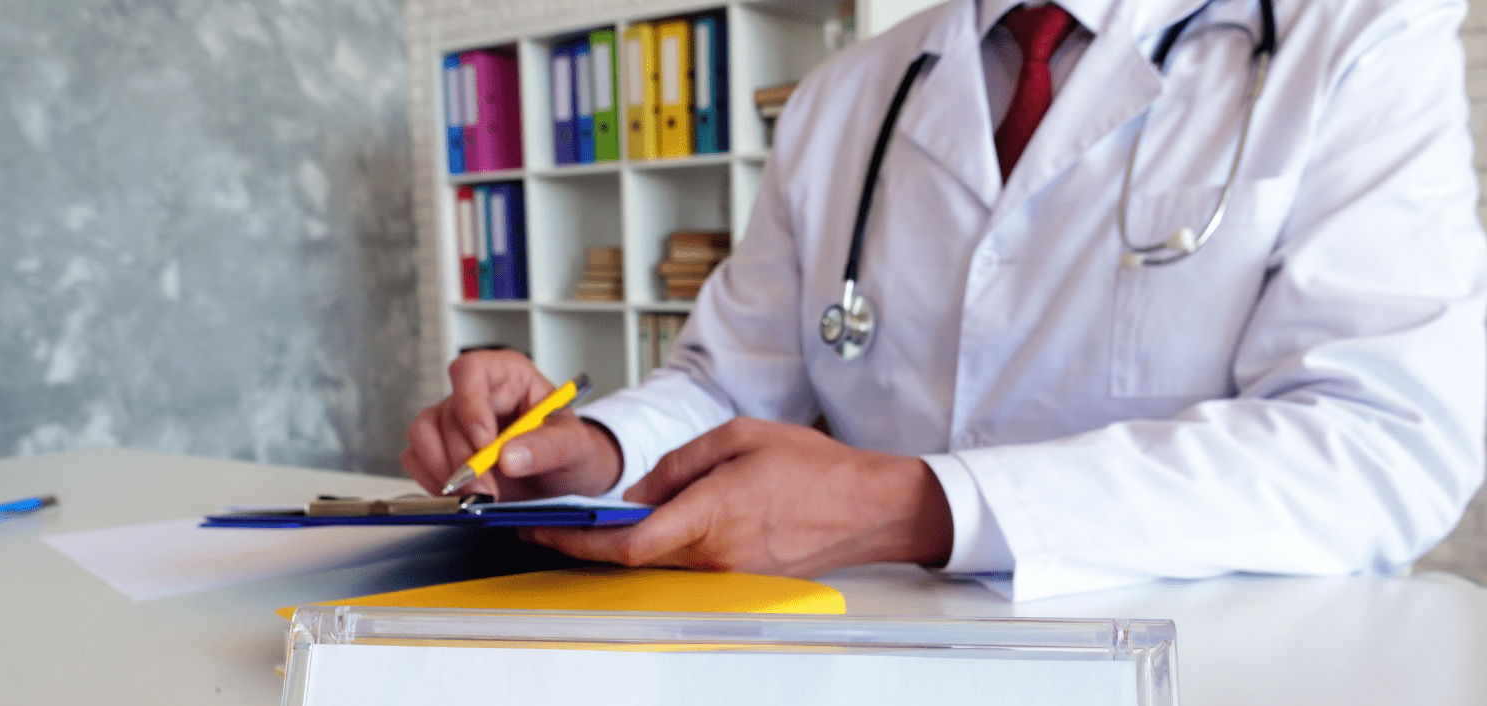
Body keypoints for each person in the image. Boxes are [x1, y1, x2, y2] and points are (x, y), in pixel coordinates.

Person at [403, 0, 1487, 601]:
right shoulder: (850, 94)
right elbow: (727, 379)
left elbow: (1386, 445)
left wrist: (917, 503)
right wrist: (590, 450)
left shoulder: (1356, 41)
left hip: (1210, 701)